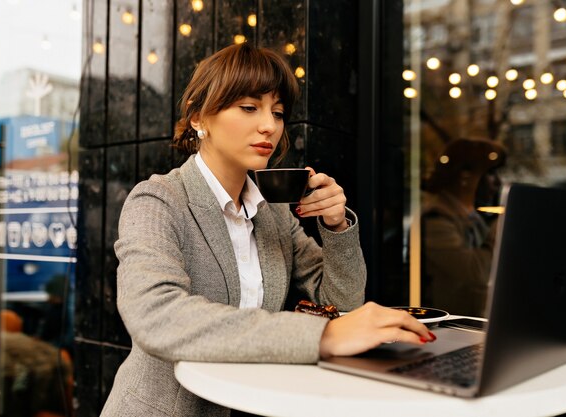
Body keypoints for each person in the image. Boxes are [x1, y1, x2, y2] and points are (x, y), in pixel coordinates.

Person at [100, 43, 435, 417]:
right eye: (249, 107)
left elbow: (342, 302)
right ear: (198, 117)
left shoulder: (273, 214)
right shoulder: (158, 199)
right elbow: (156, 316)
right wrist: (322, 337)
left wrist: (336, 226)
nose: (269, 126)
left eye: (277, 113)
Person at [421, 138, 507, 317]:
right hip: (451, 324)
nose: (497, 182)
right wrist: (500, 229)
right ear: (464, 176)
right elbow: (477, 273)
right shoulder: (436, 219)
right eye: (490, 173)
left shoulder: (471, 215)